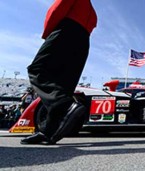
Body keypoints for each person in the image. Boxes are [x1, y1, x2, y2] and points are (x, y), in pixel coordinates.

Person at [21, 0, 98, 145]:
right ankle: (48, 131)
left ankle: (65, 105)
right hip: (83, 41)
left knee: (37, 70)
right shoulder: (92, 12)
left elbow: (56, 9)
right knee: (62, 85)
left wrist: (47, 34)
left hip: (65, 30)